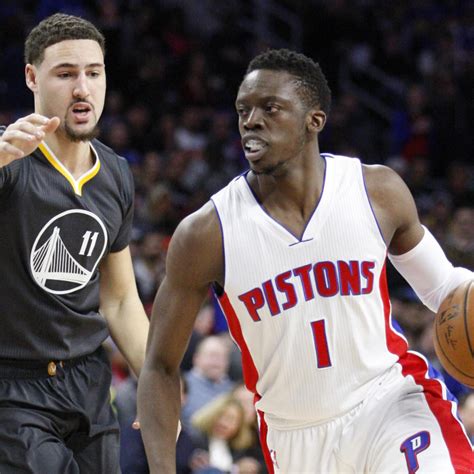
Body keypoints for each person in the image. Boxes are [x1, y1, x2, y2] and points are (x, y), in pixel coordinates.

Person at [137, 49, 473, 473]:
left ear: (314, 120)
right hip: (295, 438)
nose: (251, 121)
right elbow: (160, 366)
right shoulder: (206, 233)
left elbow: (445, 289)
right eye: (243, 110)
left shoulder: (376, 191)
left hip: (389, 404)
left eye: (270, 108)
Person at [0, 13, 149, 473]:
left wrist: (158, 382)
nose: (82, 88)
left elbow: (120, 300)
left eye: (93, 73)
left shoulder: (115, 173)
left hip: (88, 381)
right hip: (14, 387)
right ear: (32, 77)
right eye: (65, 74)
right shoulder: (7, 159)